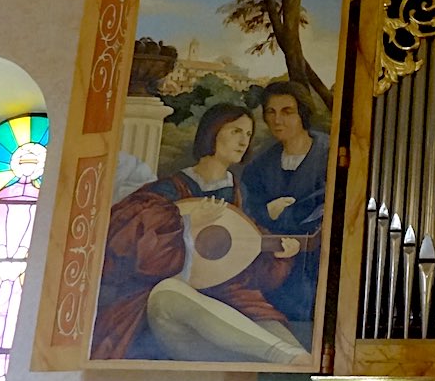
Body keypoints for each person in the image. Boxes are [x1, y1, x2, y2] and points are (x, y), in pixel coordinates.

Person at [91, 103, 310, 365]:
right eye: (236, 131)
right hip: (173, 319)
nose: (243, 141)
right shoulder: (168, 190)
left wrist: (278, 254)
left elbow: (247, 260)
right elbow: (124, 242)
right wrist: (184, 221)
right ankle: (279, 355)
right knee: (168, 292)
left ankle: (285, 357)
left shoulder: (240, 195)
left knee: (298, 358)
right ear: (213, 132)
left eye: (248, 134)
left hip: (234, 306)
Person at [241, 81, 329, 324]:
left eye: (287, 112)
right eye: (271, 112)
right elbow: (249, 214)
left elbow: (327, 206)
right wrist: (267, 211)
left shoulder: (329, 154)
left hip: (317, 266)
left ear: (302, 114)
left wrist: (288, 216)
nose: (277, 120)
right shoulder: (258, 167)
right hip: (273, 267)